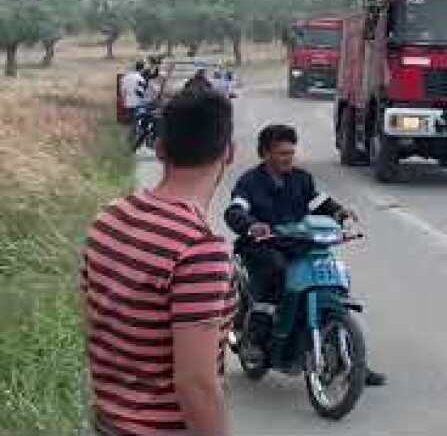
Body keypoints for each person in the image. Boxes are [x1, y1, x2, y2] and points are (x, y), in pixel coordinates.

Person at [81, 89, 235, 436]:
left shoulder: (108, 219)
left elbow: (94, 327)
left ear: (161, 149)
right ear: (229, 153)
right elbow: (196, 385)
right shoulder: (199, 249)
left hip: (107, 422)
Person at [223, 124, 387, 387]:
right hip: (262, 247)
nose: (288, 158)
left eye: (291, 152)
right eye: (281, 153)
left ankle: (353, 361)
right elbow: (235, 210)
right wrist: (250, 224)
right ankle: (254, 338)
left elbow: (319, 202)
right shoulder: (250, 182)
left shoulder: (301, 179)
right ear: (265, 154)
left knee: (331, 277)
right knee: (277, 273)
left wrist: (340, 213)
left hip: (298, 243)